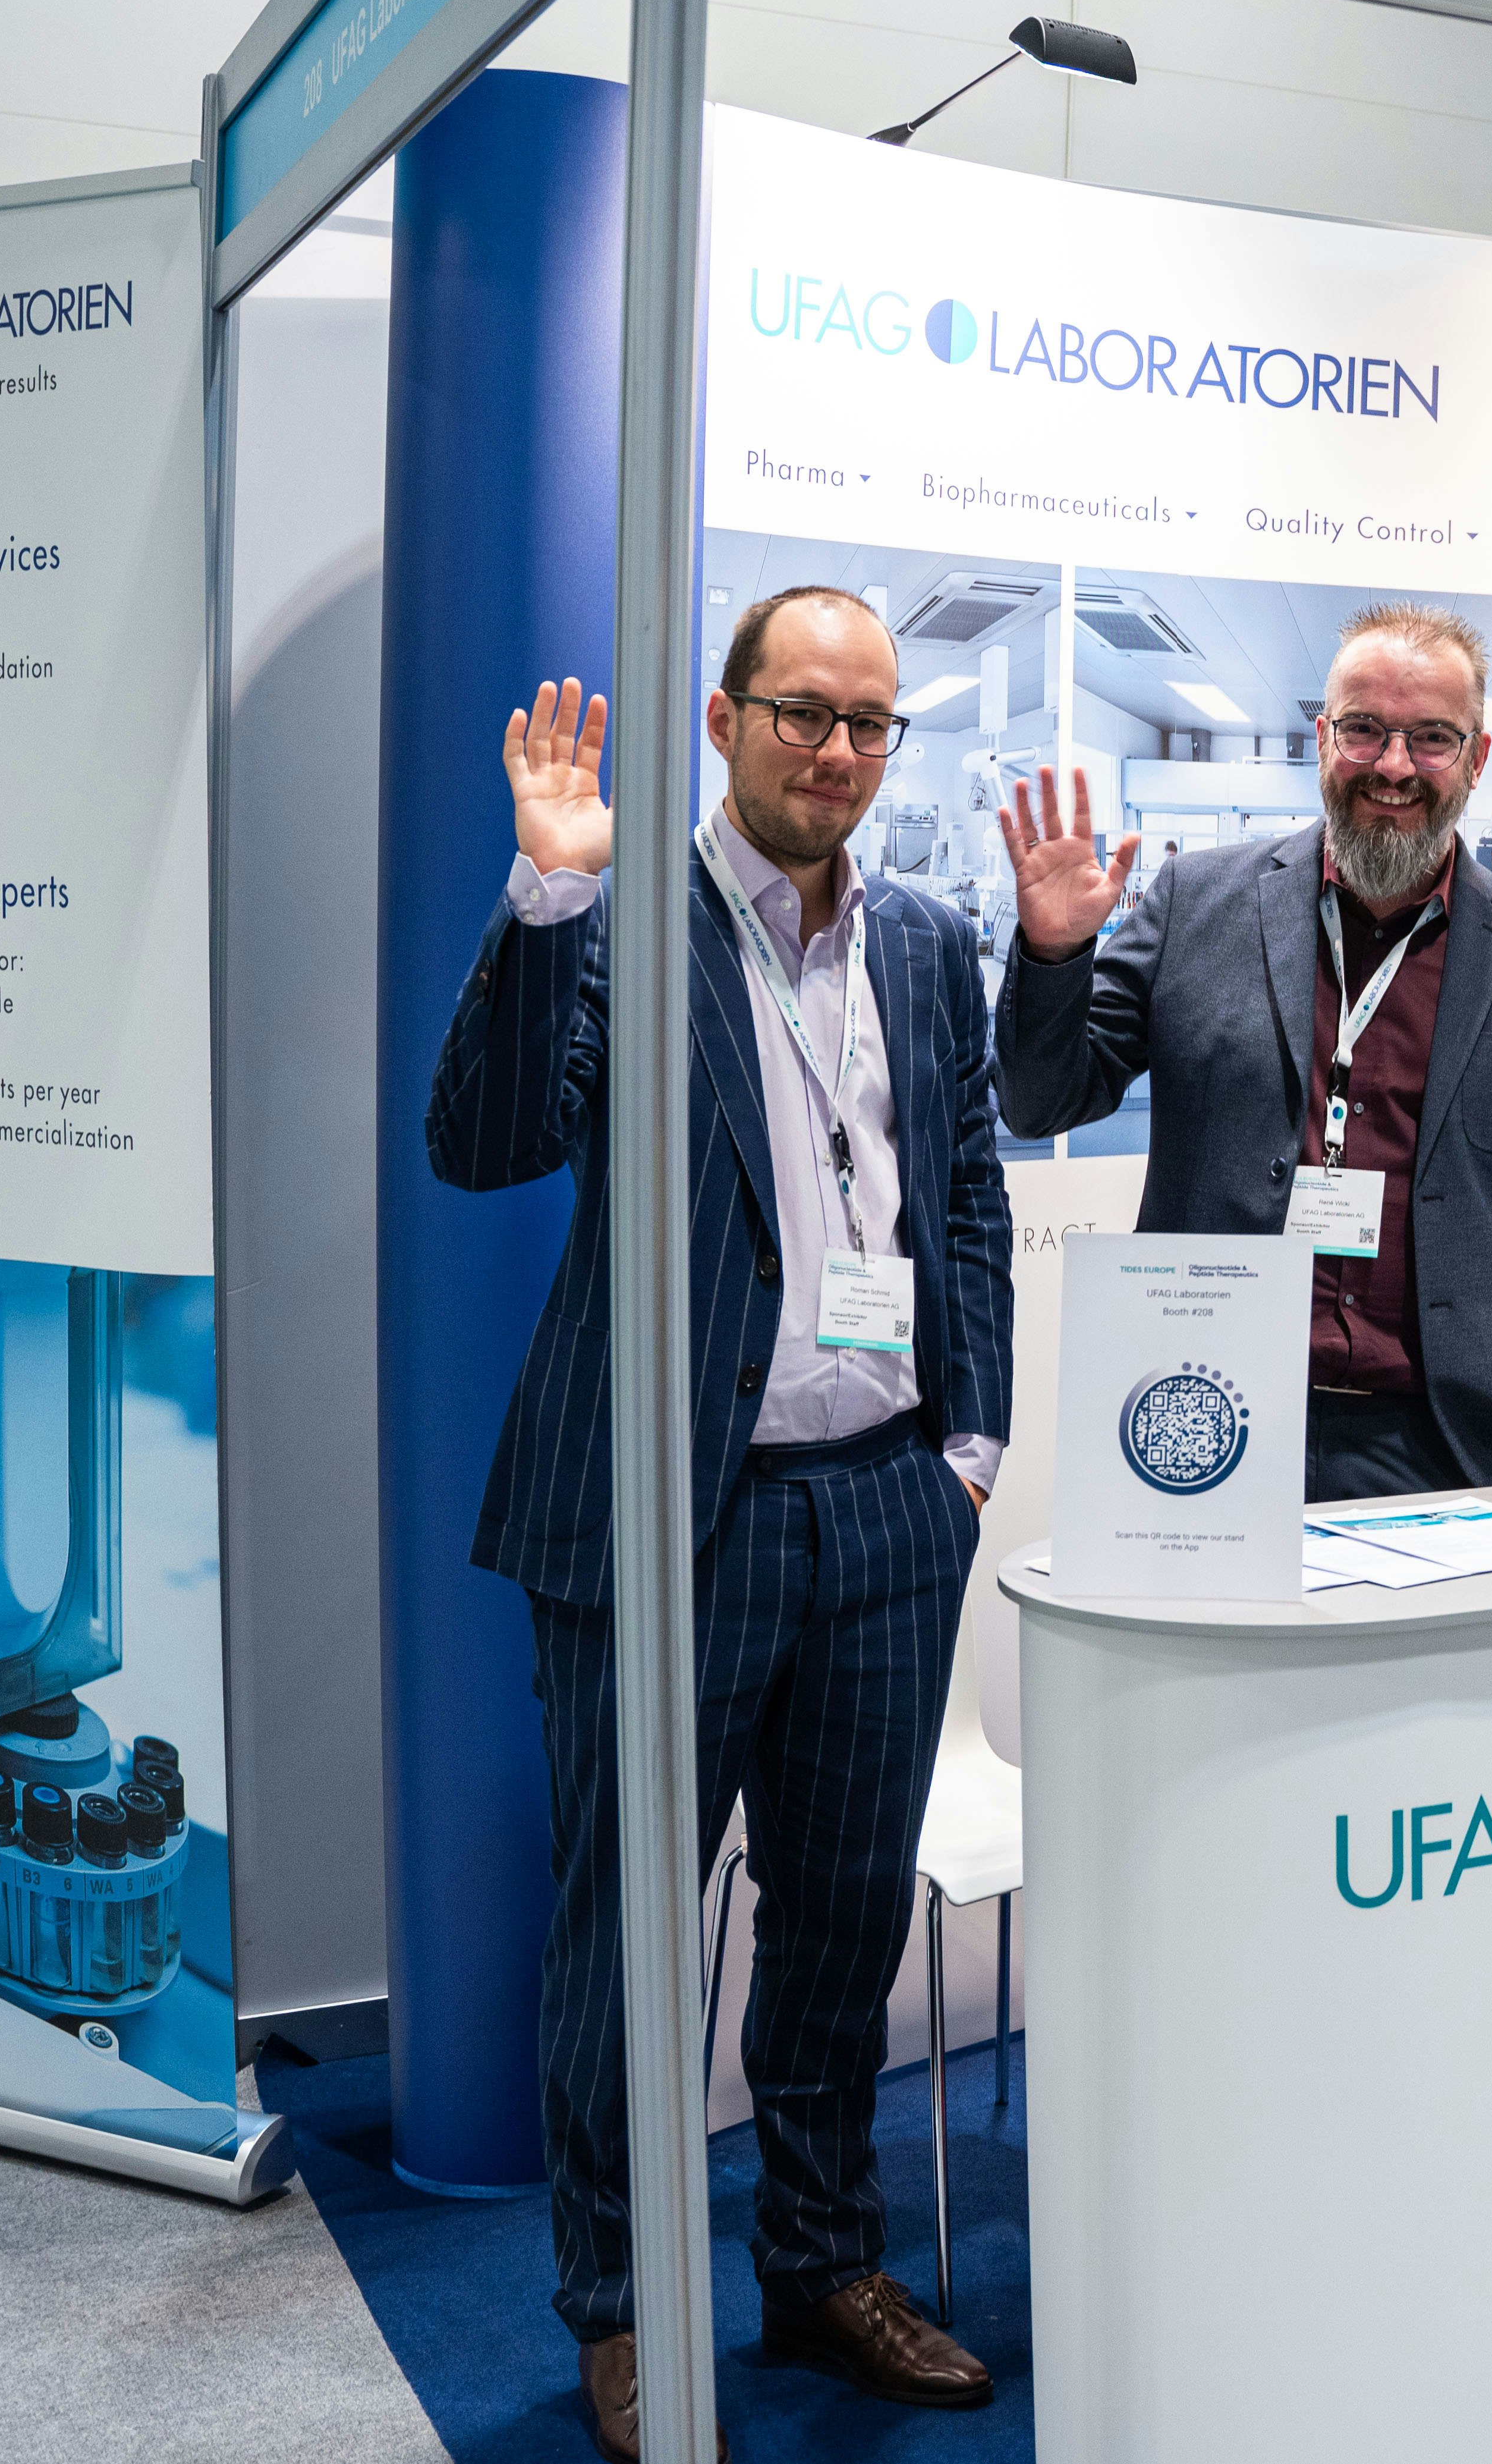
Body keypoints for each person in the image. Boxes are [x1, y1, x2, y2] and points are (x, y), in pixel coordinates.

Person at [428, 586, 1017, 2457]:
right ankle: (620, 2305)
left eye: (867, 719)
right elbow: (487, 1134)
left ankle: (821, 2259)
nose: (833, 747)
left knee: (843, 1925)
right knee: (624, 1928)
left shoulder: (924, 942)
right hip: (669, 1512)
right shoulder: (626, 920)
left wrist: (973, 1443)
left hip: (888, 1508)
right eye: (799, 710)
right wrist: (545, 895)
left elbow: (970, 1197)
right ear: (724, 715)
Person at [994, 601, 1492, 1501]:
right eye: (1364, 730)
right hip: (1199, 1413)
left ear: (1477, 758)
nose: (1395, 766)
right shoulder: (1196, 902)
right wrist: (1055, 957)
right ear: (1322, 739)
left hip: (1441, 1442)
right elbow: (1041, 1103)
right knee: (1202, 1648)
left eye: (1432, 738)